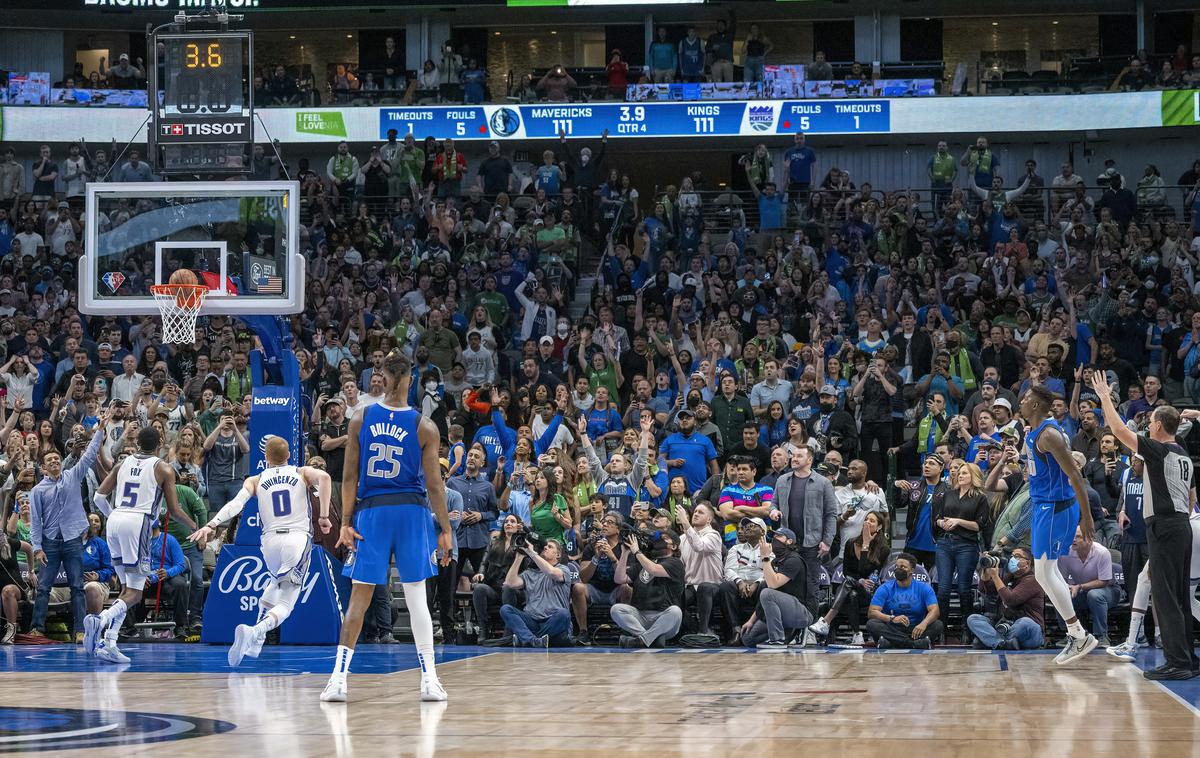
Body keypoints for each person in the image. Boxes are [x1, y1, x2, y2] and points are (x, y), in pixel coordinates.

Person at [322, 349, 454, 703]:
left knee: (359, 600)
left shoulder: (360, 418)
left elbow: (348, 477)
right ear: (408, 379)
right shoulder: (424, 426)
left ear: (381, 380)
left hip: (373, 513)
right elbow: (435, 485)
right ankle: (429, 680)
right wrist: (445, 528)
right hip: (411, 514)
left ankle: (338, 680)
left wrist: (346, 522)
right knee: (417, 601)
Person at [189, 437, 332, 666]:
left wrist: (211, 524)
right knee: (288, 601)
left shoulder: (256, 479)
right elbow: (324, 478)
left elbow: (236, 504)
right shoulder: (301, 472)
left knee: (275, 582)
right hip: (296, 538)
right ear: (288, 456)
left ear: (265, 458)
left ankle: (257, 641)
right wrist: (323, 517)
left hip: (269, 543)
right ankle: (256, 631)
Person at [1092, 374, 1198, 679]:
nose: (1148, 425)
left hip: (1164, 526)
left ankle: (1177, 663)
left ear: (1160, 426)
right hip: (1181, 525)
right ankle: (1188, 658)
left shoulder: (1159, 449)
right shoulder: (1184, 456)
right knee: (1178, 595)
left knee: (1165, 596)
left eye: (1151, 421)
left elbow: (1117, 430)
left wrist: (1104, 397)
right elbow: (1192, 499)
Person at [86, 426, 197, 663]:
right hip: (138, 523)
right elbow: (175, 511)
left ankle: (110, 642)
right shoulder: (164, 468)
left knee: (126, 590)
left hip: (115, 521)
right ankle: (101, 621)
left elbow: (98, 497)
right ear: (160, 442)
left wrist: (114, 514)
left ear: (137, 443)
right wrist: (195, 527)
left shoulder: (121, 464)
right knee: (135, 594)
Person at [1018, 384, 1098, 665]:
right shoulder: (1033, 433)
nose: (1023, 401)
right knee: (1043, 573)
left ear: (1037, 406)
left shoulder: (1049, 435)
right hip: (1044, 506)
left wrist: (1087, 517)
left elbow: (1075, 476)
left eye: (1027, 398)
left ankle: (1079, 635)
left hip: (1055, 507)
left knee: (1044, 572)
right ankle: (1077, 633)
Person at [28, 410, 111, 641]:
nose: (54, 462)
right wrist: (37, 547)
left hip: (73, 540)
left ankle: (79, 630)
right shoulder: (37, 491)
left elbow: (89, 454)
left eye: (56, 459)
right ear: (43, 468)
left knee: (77, 586)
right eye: (49, 461)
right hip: (50, 542)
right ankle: (37, 629)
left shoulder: (73, 475)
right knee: (43, 587)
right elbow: (36, 521)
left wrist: (100, 429)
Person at [808, 510, 889, 645]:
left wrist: (866, 545)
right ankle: (857, 634)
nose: (867, 522)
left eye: (872, 521)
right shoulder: (851, 544)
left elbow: (866, 571)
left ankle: (826, 621)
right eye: (866, 519)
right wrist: (860, 581)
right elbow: (847, 572)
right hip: (852, 588)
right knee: (851, 593)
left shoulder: (884, 549)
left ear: (879, 527)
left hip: (870, 593)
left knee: (850, 585)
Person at [933, 462, 989, 636]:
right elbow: (937, 518)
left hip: (967, 545)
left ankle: (968, 629)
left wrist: (958, 521)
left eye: (964, 473)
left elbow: (978, 525)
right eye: (959, 473)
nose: (960, 475)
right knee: (943, 589)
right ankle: (940, 629)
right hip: (945, 543)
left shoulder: (980, 498)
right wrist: (942, 523)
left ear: (973, 476)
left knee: (964, 589)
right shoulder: (948, 494)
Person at [611, 528, 685, 648]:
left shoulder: (676, 563)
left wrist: (637, 552)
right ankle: (649, 639)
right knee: (616, 609)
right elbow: (619, 579)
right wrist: (625, 553)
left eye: (665, 538)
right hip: (640, 617)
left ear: (674, 546)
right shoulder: (643, 562)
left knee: (676, 612)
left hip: (663, 618)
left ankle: (643, 639)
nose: (660, 539)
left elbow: (654, 570)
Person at [740, 527, 812, 649]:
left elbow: (773, 585)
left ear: (789, 541)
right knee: (748, 638)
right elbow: (766, 588)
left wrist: (765, 557)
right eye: (773, 537)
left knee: (767, 592)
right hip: (780, 614)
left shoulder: (794, 560)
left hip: (802, 612)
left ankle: (777, 639)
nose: (774, 539)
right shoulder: (775, 563)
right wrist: (751, 621)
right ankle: (787, 634)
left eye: (778, 536)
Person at [500, 537, 576, 647]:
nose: (545, 547)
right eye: (544, 547)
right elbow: (509, 583)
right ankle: (534, 640)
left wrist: (531, 553)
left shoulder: (563, 569)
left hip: (553, 623)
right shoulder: (529, 573)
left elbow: (551, 572)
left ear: (558, 555)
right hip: (532, 621)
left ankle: (527, 639)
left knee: (564, 614)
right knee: (506, 609)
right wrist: (519, 556)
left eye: (550, 547)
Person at [967, 547, 1046, 650]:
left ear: (1027, 563)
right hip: (1004, 625)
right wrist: (986, 570)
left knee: (1026, 623)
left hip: (1027, 631)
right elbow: (985, 590)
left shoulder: (1033, 580)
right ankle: (1002, 643)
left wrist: (995, 577)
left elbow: (1011, 600)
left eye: (1017, 556)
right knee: (973, 619)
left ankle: (992, 640)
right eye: (1012, 556)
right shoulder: (1009, 577)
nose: (1012, 559)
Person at [866, 553, 942, 649]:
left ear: (912, 571)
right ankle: (913, 644)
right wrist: (892, 618)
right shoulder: (885, 588)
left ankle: (892, 643)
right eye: (897, 566)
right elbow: (872, 612)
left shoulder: (924, 588)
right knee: (872, 624)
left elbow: (935, 611)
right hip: (892, 628)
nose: (898, 569)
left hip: (916, 628)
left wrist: (924, 623)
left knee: (938, 625)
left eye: (903, 567)